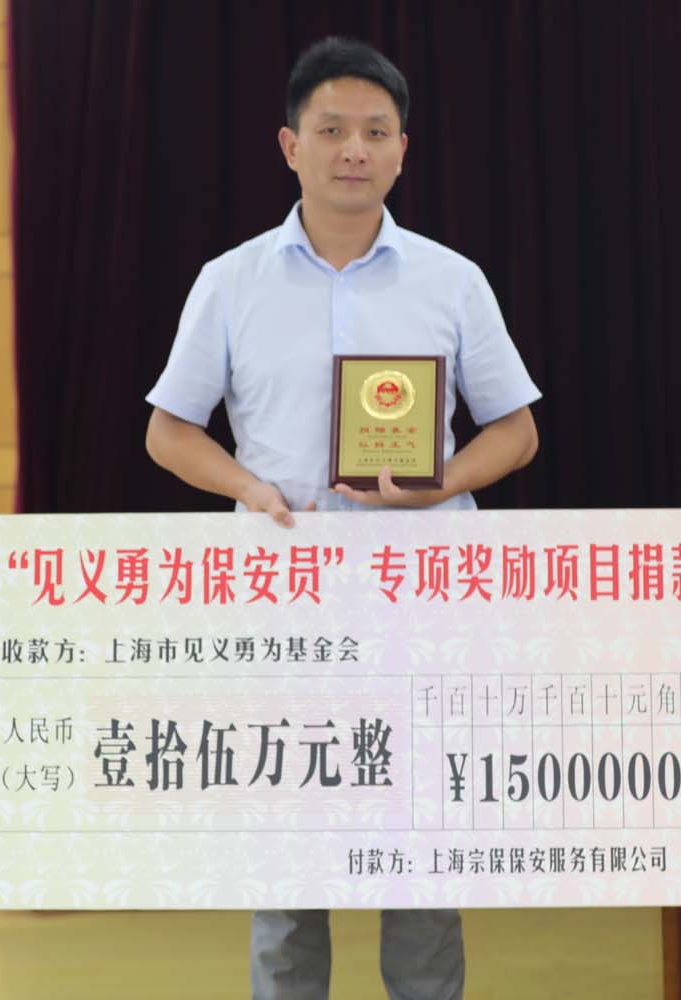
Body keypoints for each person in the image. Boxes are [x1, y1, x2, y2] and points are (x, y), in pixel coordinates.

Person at [144, 36, 541, 1000]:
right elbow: (169, 431)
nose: (353, 149)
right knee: (288, 859)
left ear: (403, 149)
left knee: (421, 854)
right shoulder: (229, 281)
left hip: (423, 600)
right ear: (291, 146)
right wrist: (250, 489)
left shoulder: (451, 279)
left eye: (374, 131)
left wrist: (442, 482)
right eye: (331, 130)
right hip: (285, 601)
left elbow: (516, 431)